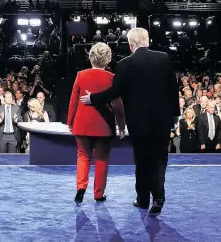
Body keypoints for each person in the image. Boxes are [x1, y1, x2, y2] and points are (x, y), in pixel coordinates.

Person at [80, 28, 179, 215]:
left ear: (131, 44)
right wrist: (174, 115)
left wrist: (93, 98)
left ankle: (142, 200)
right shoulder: (164, 58)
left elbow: (113, 93)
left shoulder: (125, 64)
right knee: (159, 160)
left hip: (138, 122)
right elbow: (172, 89)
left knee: (141, 160)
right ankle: (158, 197)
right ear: (147, 41)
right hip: (162, 120)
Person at [68, 43, 125, 203]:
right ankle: (98, 194)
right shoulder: (112, 78)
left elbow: (73, 101)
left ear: (90, 57)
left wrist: (70, 121)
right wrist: (121, 126)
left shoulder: (80, 75)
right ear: (108, 59)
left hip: (82, 123)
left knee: (83, 156)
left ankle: (81, 187)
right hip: (103, 125)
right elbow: (118, 105)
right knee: (101, 160)